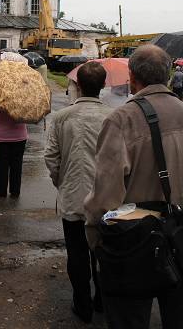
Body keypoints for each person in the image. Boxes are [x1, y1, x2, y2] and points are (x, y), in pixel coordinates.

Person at [84, 45, 183, 329]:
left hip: (133, 243)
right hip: (179, 238)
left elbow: (105, 195)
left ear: (132, 76)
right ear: (167, 75)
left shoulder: (122, 120)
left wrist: (96, 239)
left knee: (129, 319)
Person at [44, 61, 111, 323]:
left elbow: (51, 157)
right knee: (103, 252)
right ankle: (102, 301)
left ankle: (81, 305)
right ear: (103, 85)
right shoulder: (114, 116)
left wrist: (61, 181)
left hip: (72, 196)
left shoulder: (61, 118)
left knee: (77, 252)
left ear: (78, 85)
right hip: (106, 199)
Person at [0, 98, 28, 198]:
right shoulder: (22, 96)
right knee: (17, 164)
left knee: (1, 164)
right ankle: (15, 190)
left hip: (0, 136)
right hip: (19, 136)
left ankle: (1, 191)